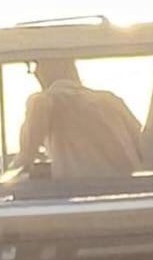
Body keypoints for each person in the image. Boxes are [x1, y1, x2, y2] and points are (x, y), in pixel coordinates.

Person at [13, 58, 143, 180]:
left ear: (42, 71)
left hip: (82, 193)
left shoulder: (43, 101)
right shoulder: (110, 99)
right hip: (128, 190)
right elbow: (142, 145)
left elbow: (26, 156)